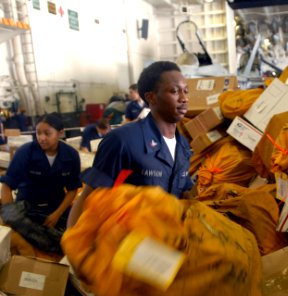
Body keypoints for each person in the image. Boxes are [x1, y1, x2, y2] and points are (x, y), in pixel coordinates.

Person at [67, 61, 192, 227]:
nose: (184, 98)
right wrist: (73, 244)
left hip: (164, 243)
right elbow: (88, 197)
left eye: (185, 91)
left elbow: (184, 194)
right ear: (151, 97)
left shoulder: (183, 146)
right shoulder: (123, 141)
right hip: (125, 243)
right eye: (174, 91)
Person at [0, 113, 82, 253]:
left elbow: (72, 190)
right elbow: (7, 186)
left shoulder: (71, 155)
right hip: (28, 207)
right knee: (24, 242)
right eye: (38, 133)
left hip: (56, 207)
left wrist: (57, 214)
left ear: (60, 133)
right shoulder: (25, 152)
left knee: (72, 241)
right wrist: (10, 215)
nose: (42, 138)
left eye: (47, 133)